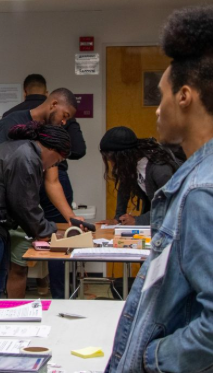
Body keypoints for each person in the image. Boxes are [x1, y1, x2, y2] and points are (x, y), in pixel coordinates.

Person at [106, 5, 213, 372]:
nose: (156, 109)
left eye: (161, 94)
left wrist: (150, 357)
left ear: (185, 96)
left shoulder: (200, 192)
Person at [0, 123, 72, 324]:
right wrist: (48, 231)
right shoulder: (26, 156)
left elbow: (23, 204)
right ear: (52, 150)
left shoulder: (22, 150)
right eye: (58, 161)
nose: (52, 166)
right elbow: (24, 205)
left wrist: (45, 229)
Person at [0, 88, 85, 299]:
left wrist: (70, 217)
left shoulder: (50, 132)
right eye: (65, 116)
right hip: (10, 199)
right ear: (53, 104)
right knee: (15, 264)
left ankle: (61, 299)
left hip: (30, 199)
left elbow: (52, 181)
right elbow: (5, 169)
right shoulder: (12, 122)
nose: (64, 123)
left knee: (55, 244)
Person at [98, 126, 179, 225]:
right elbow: (124, 189)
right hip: (158, 220)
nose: (111, 163)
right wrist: (118, 218)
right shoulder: (131, 164)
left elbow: (171, 205)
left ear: (122, 156)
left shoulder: (160, 169)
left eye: (111, 159)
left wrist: (138, 220)